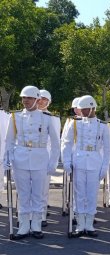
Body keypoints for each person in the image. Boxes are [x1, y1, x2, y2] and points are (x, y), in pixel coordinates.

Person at [3, 86, 60, 240]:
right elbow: (9, 141)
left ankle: (36, 225)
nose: (25, 101)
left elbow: (55, 143)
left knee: (37, 194)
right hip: (20, 159)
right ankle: (23, 225)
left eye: (28, 98)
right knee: (23, 194)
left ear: (37, 100)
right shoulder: (15, 117)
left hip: (40, 158)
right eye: (23, 98)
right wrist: (7, 158)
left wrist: (53, 163)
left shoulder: (47, 118)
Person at [61, 95, 110, 237]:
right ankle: (80, 223)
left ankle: (89, 223)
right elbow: (67, 144)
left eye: (84, 109)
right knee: (79, 194)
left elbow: (107, 149)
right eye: (81, 109)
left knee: (92, 193)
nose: (81, 111)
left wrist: (105, 167)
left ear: (92, 108)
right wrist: (66, 161)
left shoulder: (102, 125)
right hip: (79, 161)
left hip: (95, 162)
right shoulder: (74, 123)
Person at [38, 89, 60, 227]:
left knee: (43, 188)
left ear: (49, 102)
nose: (41, 101)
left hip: (45, 156)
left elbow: (55, 142)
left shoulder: (53, 118)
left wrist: (53, 161)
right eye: (39, 99)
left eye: (45, 99)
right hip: (30, 155)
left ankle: (41, 214)